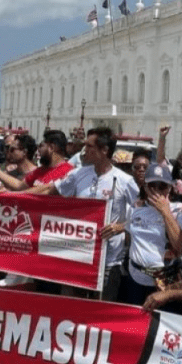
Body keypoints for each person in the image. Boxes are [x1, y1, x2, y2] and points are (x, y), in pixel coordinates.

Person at [27, 127, 139, 301]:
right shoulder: (78, 174)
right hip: (77, 257)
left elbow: (142, 214)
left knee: (100, 311)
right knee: (71, 307)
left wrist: (121, 227)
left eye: (89, 146)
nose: (84, 150)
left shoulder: (125, 181)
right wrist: (16, 196)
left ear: (104, 150)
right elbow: (50, 190)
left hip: (108, 262)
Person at [120, 162, 182, 306]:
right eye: (152, 186)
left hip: (166, 280)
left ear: (170, 187)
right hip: (136, 277)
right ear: (145, 187)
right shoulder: (135, 208)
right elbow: (129, 239)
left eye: (162, 186)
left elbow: (180, 247)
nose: (157, 191)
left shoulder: (179, 210)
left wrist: (165, 211)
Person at [0, 130, 73, 191]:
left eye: (42, 146)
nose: (39, 150)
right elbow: (20, 185)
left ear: (51, 148)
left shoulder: (69, 172)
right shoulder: (39, 171)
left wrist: (14, 194)